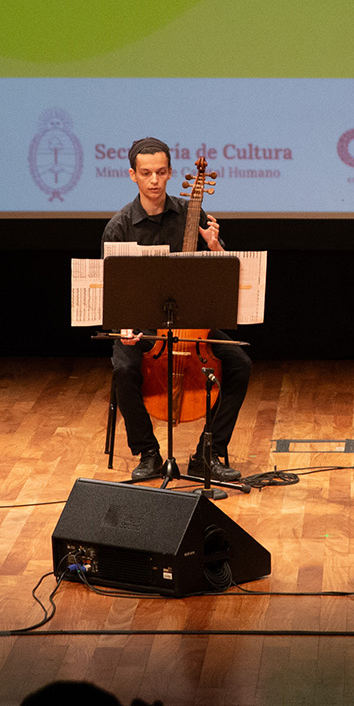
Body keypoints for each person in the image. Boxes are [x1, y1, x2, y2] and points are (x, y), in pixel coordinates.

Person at [102, 138, 252, 484]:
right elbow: (113, 288)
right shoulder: (119, 226)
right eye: (145, 173)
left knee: (239, 363)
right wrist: (124, 325)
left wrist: (214, 245)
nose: (154, 180)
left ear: (170, 173)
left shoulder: (191, 213)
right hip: (143, 328)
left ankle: (208, 453)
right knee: (124, 369)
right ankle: (148, 453)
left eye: (160, 172)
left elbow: (220, 276)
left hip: (191, 326)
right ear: (132, 175)